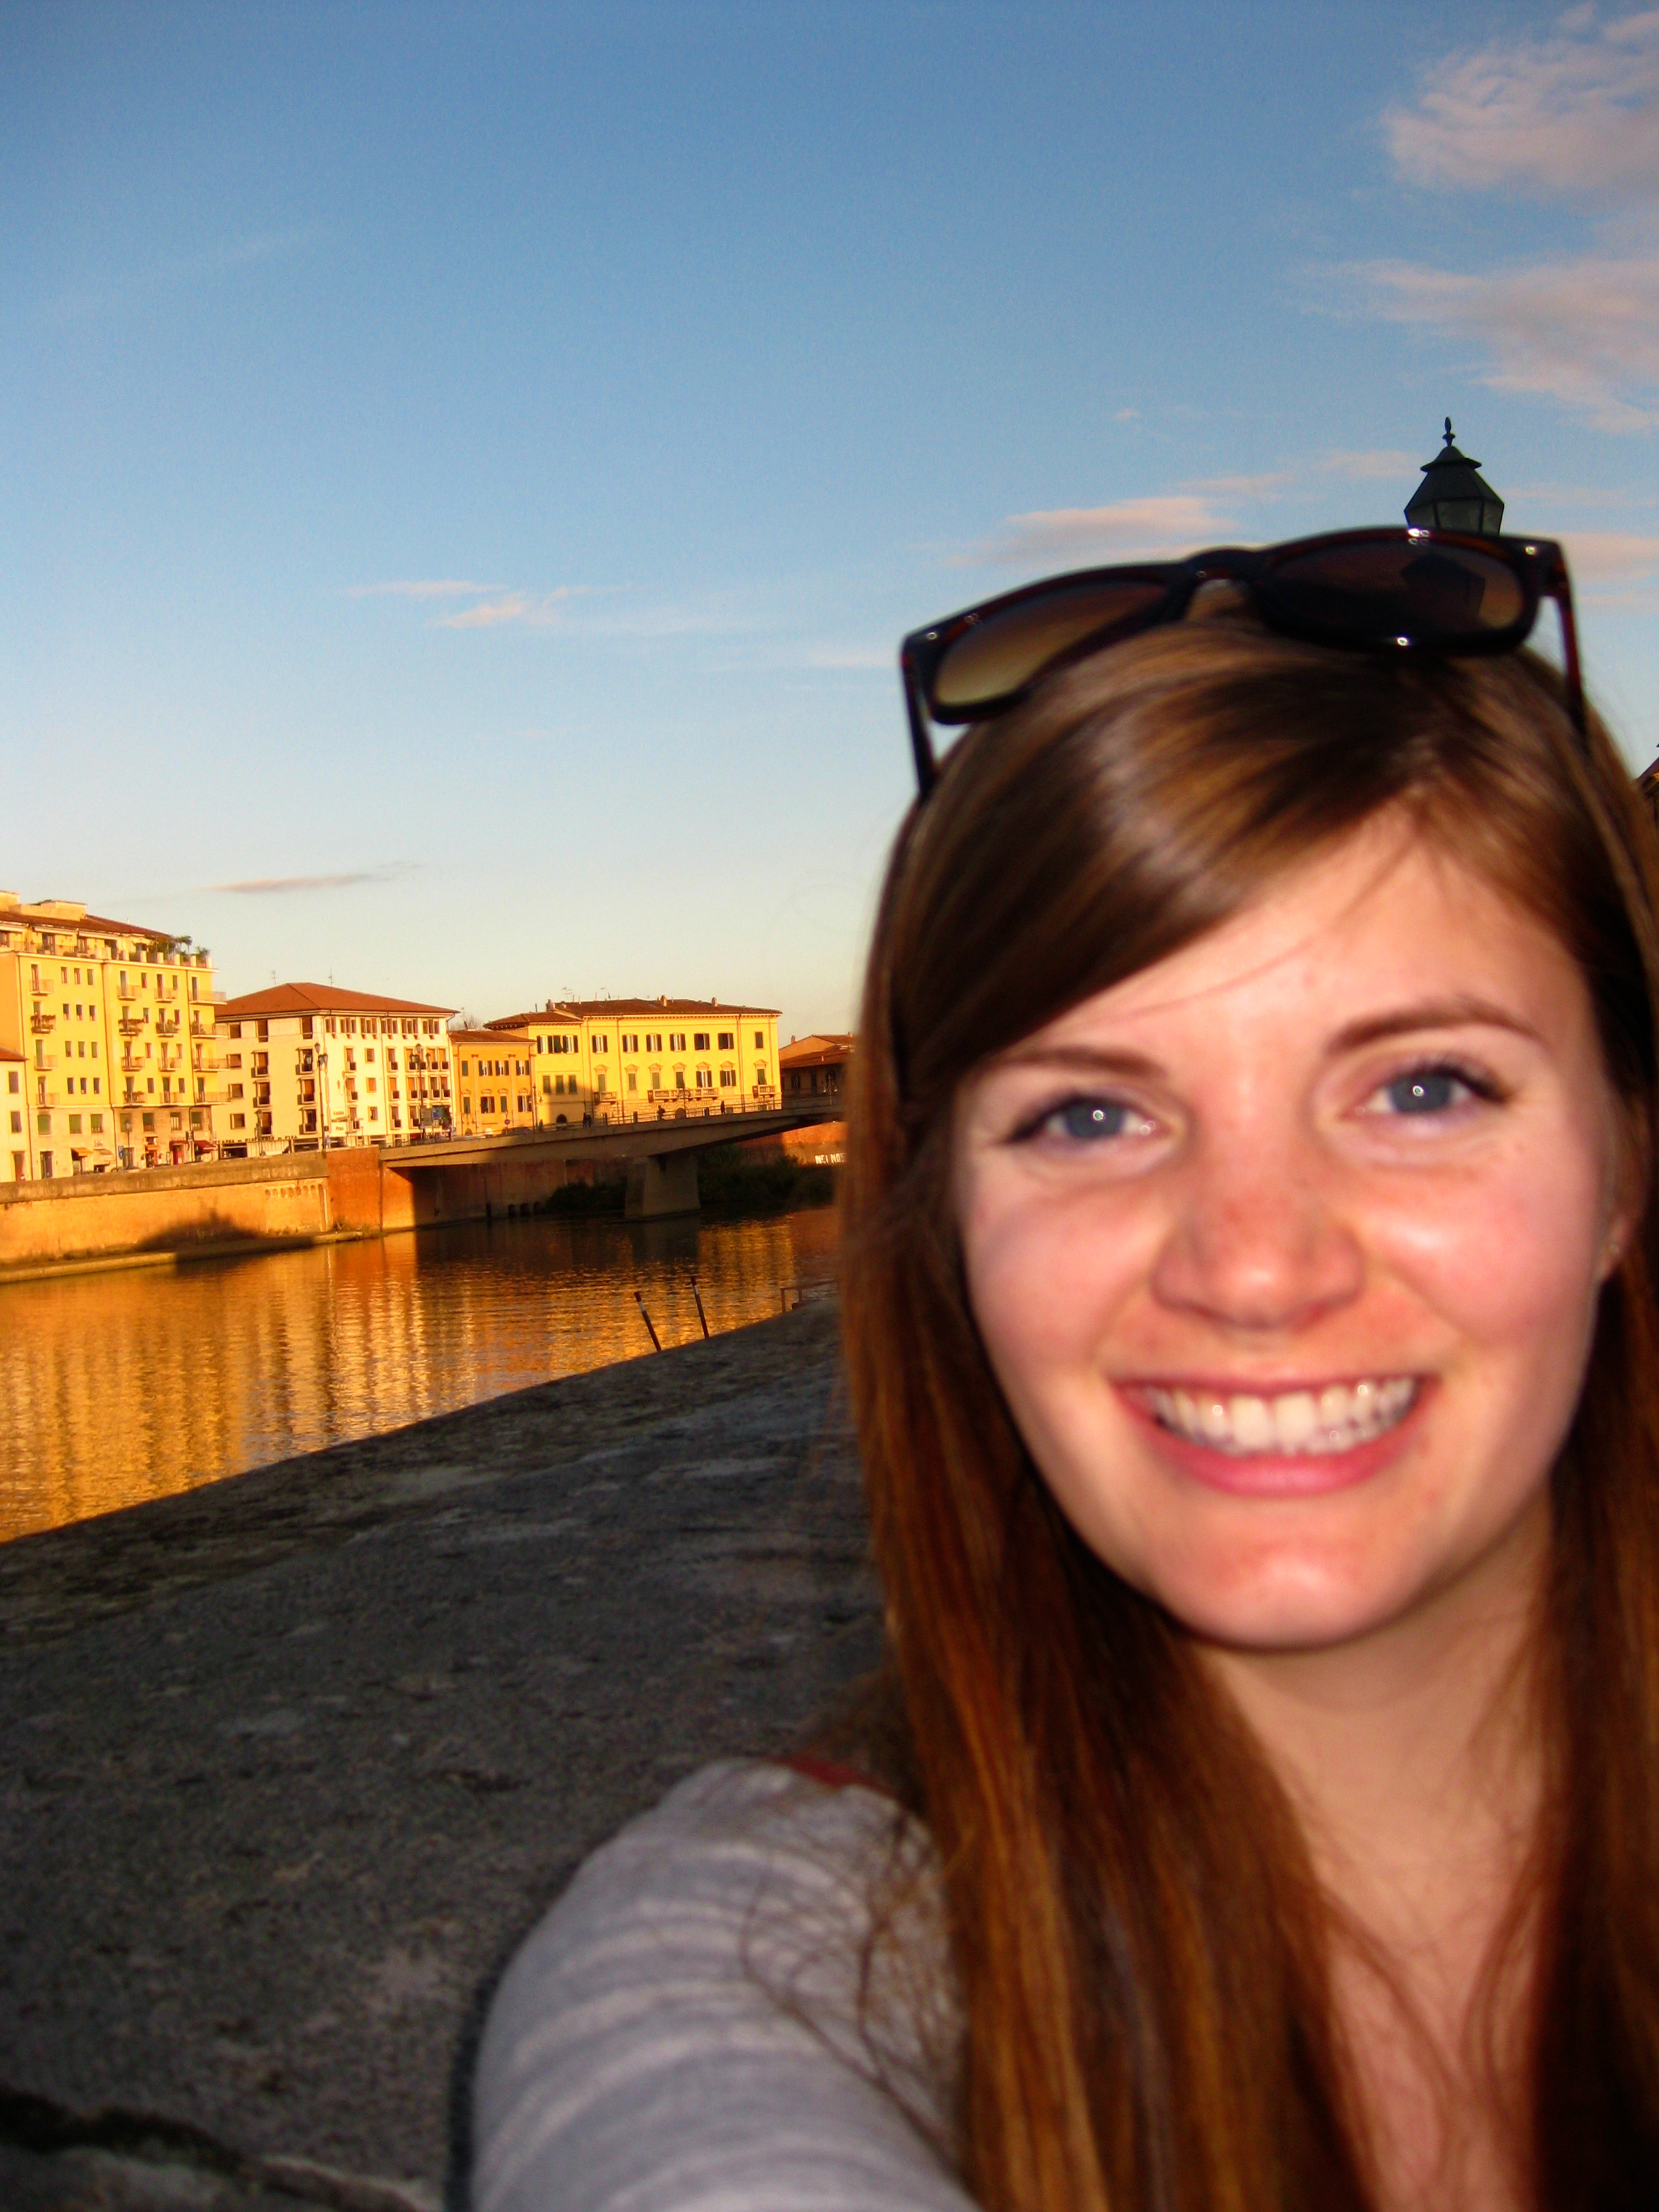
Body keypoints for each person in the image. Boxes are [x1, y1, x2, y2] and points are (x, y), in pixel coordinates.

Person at [471, 530, 1659, 2212]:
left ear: (1626, 1168)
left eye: (1423, 1090)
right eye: (1089, 1115)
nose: (1254, 1268)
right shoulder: (751, 1972)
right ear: (946, 1219)